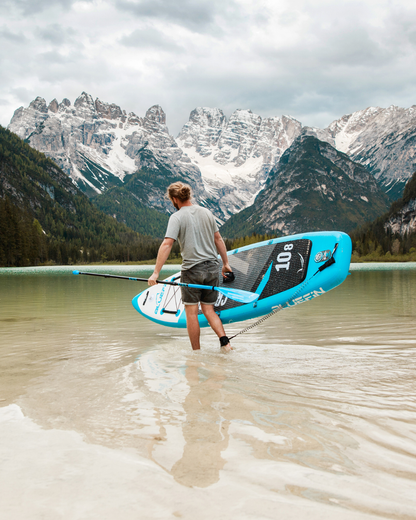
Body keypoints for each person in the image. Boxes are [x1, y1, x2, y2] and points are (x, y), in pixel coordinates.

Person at [148, 182, 233, 352]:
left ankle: (196, 354)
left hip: (192, 271)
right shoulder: (207, 212)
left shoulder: (177, 217)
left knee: (191, 313)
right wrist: (225, 264)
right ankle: (226, 343)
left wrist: (156, 273)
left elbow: (167, 244)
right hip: (212, 269)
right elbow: (218, 240)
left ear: (174, 199)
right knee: (209, 310)